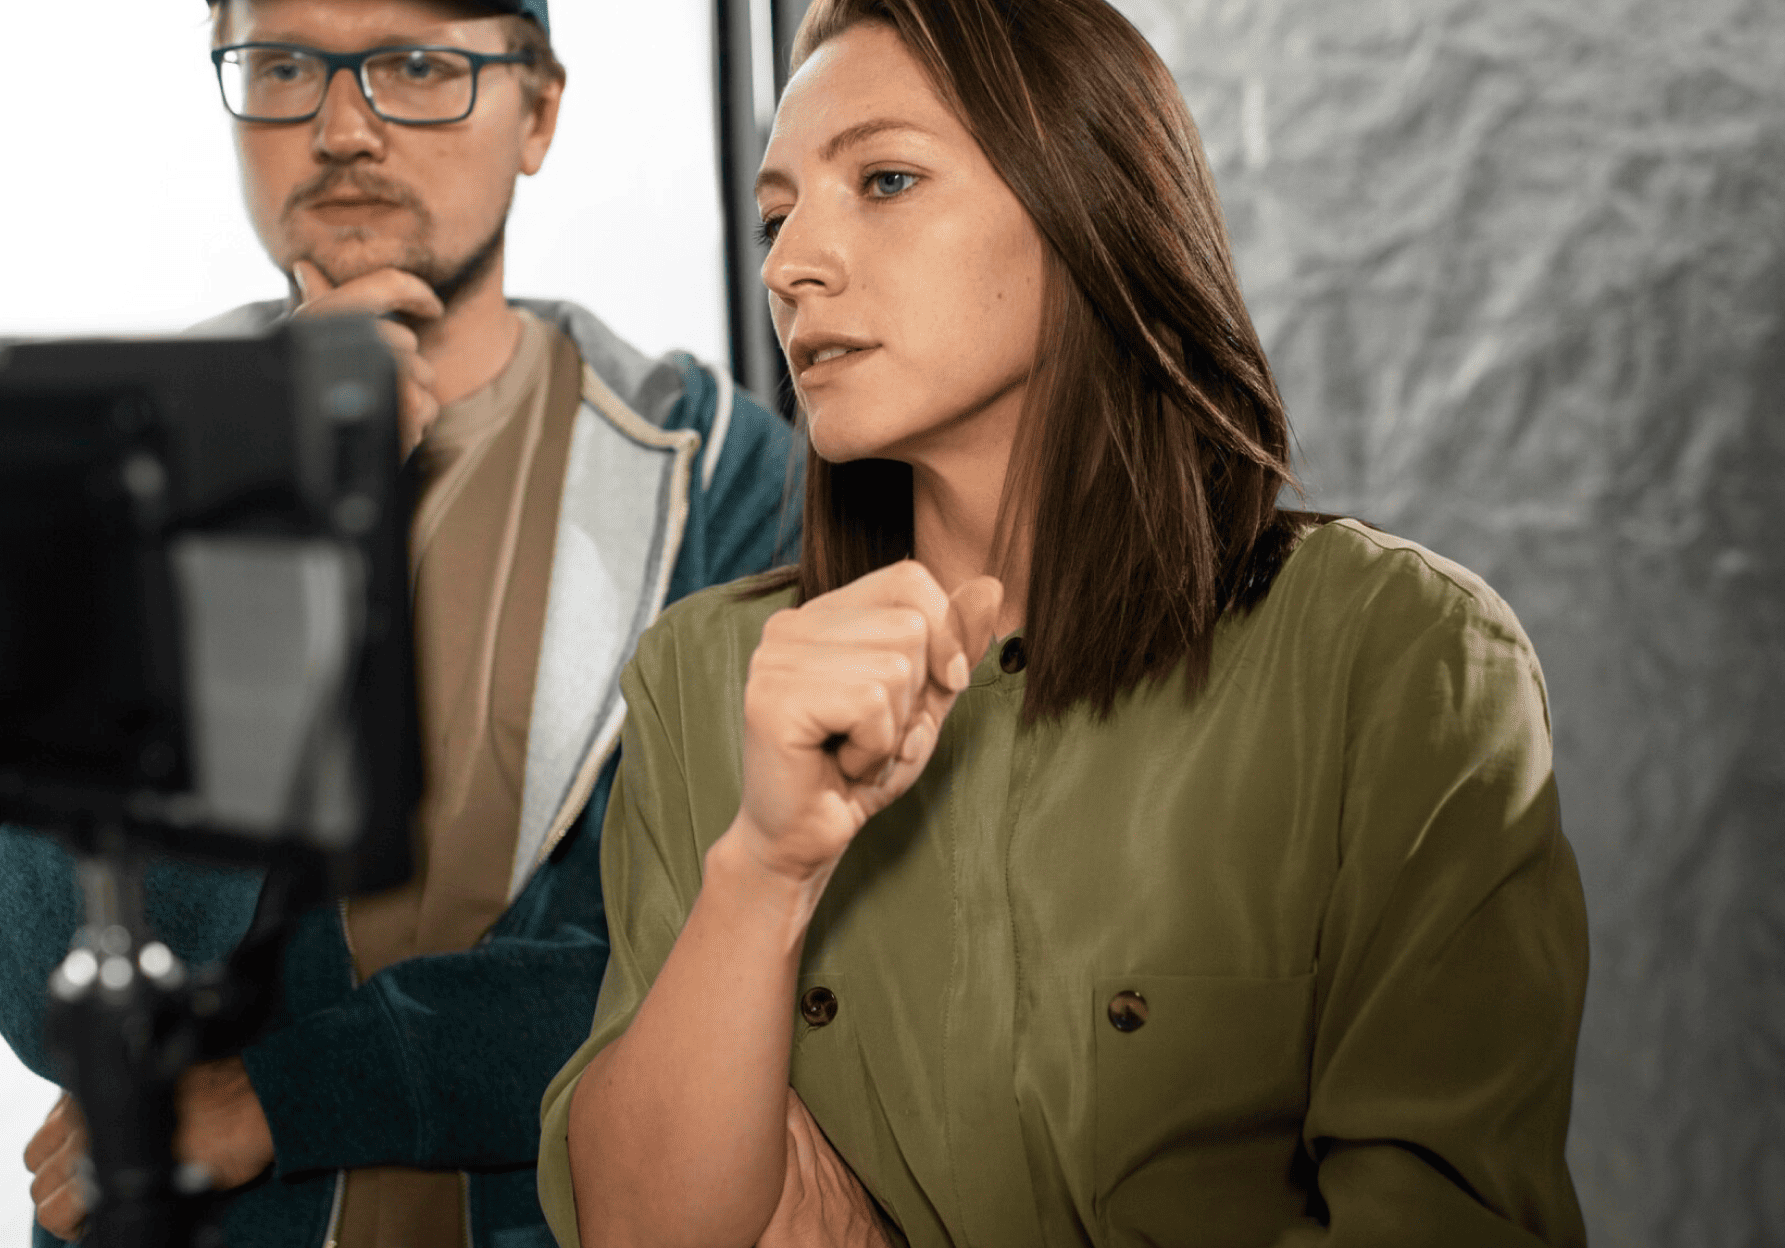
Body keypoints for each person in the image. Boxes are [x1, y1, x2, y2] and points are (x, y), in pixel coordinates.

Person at [539, 0, 1590, 1245]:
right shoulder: (710, 678)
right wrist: (764, 871)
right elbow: (639, 1231)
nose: (788, 264)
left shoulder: (1397, 658)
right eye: (776, 216)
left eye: (883, 179)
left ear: (1091, 205)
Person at [0, 1, 794, 1245]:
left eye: (416, 64)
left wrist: (296, 1090)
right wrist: (274, 528)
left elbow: (709, 975)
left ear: (539, 108)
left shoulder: (716, 471)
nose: (342, 125)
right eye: (284, 64)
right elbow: (46, 983)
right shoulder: (90, 459)